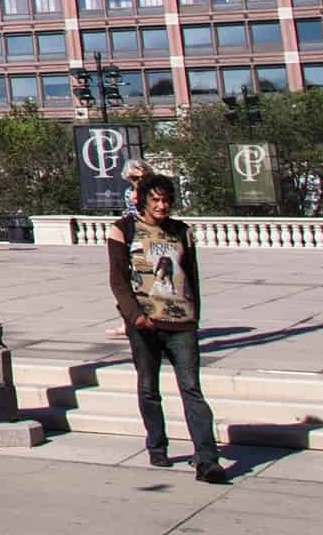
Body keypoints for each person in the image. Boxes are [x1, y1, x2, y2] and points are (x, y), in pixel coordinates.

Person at [110, 174, 228, 483]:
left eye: (166, 201)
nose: (162, 206)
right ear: (143, 201)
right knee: (149, 387)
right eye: (156, 201)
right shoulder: (124, 230)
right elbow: (118, 279)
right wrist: (134, 316)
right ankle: (157, 444)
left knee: (191, 388)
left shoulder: (181, 231)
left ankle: (206, 459)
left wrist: (195, 314)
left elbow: (192, 275)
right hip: (145, 322)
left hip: (181, 321)